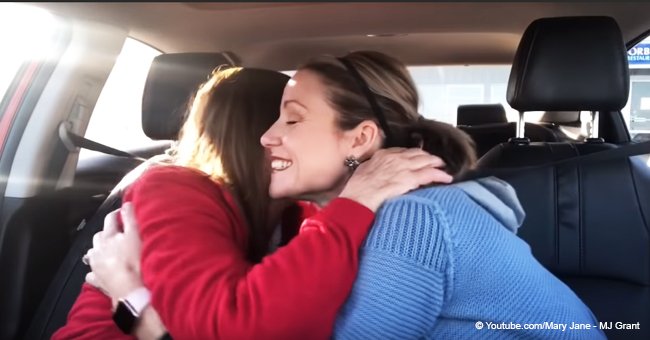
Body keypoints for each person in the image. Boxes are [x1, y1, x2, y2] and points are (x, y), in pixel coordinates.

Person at [77, 51, 604, 339]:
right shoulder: (351, 219)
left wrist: (141, 312)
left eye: (292, 118)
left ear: (360, 139)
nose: (267, 137)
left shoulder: (414, 218)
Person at [53, 66, 450, 340]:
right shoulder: (173, 190)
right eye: (279, 120)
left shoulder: (303, 211)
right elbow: (237, 327)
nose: (274, 137)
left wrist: (131, 296)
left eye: (294, 121)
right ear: (251, 132)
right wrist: (356, 201)